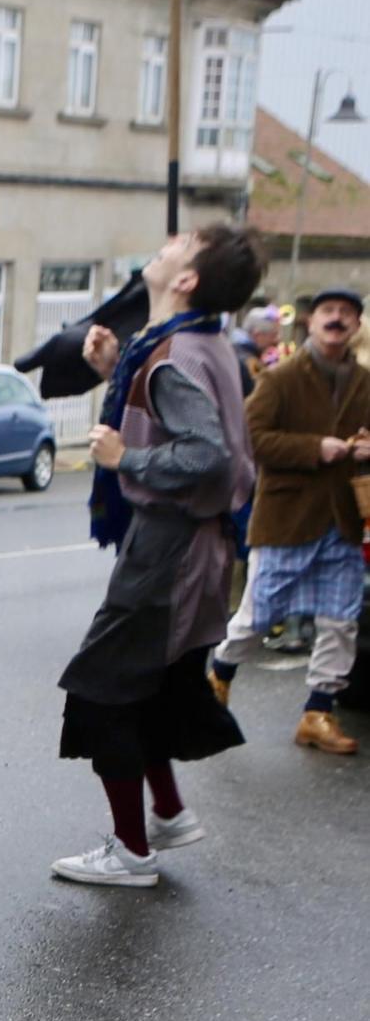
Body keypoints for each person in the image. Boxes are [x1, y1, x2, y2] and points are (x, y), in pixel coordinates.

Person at [51, 223, 263, 888]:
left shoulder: (178, 354)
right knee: (148, 679)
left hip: (173, 546)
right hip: (181, 542)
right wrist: (118, 369)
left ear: (188, 280)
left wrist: (126, 458)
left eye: (182, 241)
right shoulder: (192, 341)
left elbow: (207, 452)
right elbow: (181, 409)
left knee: (104, 688)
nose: (168, 240)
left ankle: (131, 851)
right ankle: (166, 813)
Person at [210, 286, 370, 755]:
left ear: (356, 326)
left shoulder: (365, 381)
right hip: (287, 516)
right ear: (310, 322)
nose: (337, 319)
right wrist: (313, 449)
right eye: (328, 312)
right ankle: (218, 679)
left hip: (342, 519)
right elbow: (250, 437)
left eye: (346, 313)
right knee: (258, 615)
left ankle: (318, 713)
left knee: (340, 622)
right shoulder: (280, 379)